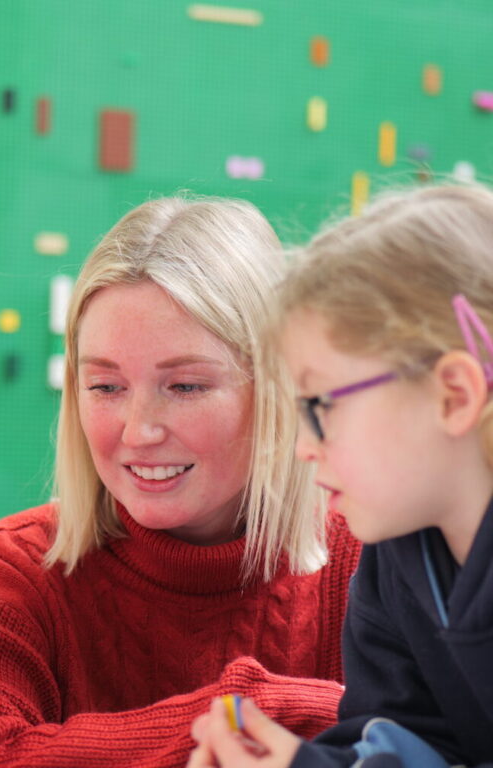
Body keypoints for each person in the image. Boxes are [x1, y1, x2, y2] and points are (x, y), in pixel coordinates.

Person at [0, 196, 361, 768]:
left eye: (186, 386)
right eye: (105, 387)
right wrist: (250, 713)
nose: (139, 431)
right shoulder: (12, 572)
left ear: (275, 389)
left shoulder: (372, 560)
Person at [187, 183, 493, 768]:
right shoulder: (393, 556)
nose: (303, 448)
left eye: (319, 405)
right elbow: (409, 746)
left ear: (454, 396)